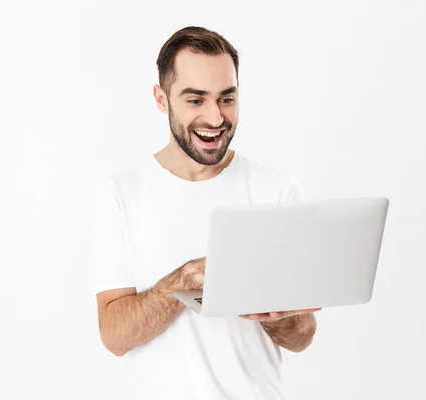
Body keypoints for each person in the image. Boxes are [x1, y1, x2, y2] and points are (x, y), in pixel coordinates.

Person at [94, 26, 320, 400]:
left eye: (226, 99)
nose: (216, 119)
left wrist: (277, 315)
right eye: (195, 100)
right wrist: (186, 278)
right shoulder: (121, 192)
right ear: (161, 99)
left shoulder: (277, 189)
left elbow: (304, 336)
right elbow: (114, 335)